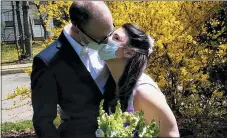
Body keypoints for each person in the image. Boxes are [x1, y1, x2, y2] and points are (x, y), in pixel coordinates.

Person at [31, 1, 116, 137]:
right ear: (77, 28)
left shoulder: (108, 36)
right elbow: (43, 122)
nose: (108, 42)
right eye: (100, 39)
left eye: (111, 31)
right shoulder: (48, 62)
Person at [91, 23, 180, 137]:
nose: (107, 40)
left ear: (129, 52)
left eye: (116, 38)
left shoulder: (143, 93)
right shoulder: (110, 84)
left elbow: (171, 134)